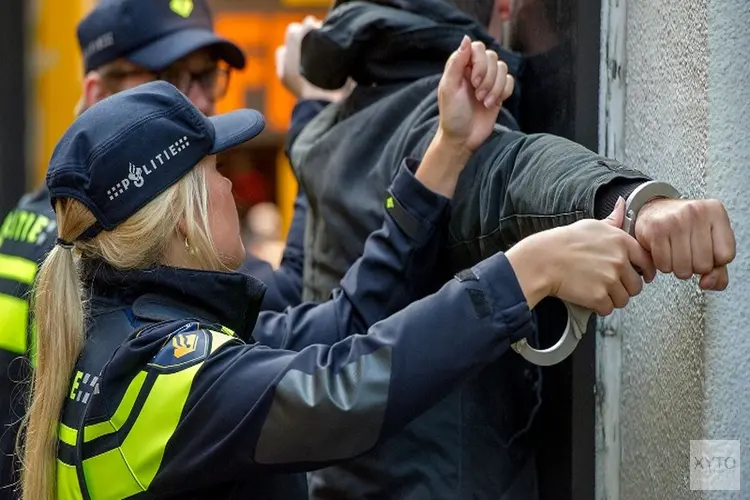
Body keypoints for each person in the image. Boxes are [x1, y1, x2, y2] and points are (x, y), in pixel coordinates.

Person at [21, 45, 657, 500]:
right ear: (182, 219)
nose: (231, 190)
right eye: (216, 175)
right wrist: (525, 270)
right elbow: (345, 392)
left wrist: (445, 153)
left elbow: (344, 323)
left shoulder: (131, 333)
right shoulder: (167, 374)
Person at [280, 0, 737, 498]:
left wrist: (313, 92)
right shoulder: (429, 119)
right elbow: (512, 170)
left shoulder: (333, 128)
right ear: (504, 7)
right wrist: (633, 205)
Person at [0, 0, 323, 495]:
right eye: (171, 78)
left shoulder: (31, 218)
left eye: (207, 75)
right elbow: (298, 307)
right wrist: (316, 116)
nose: (199, 101)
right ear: (96, 92)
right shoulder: (95, 247)